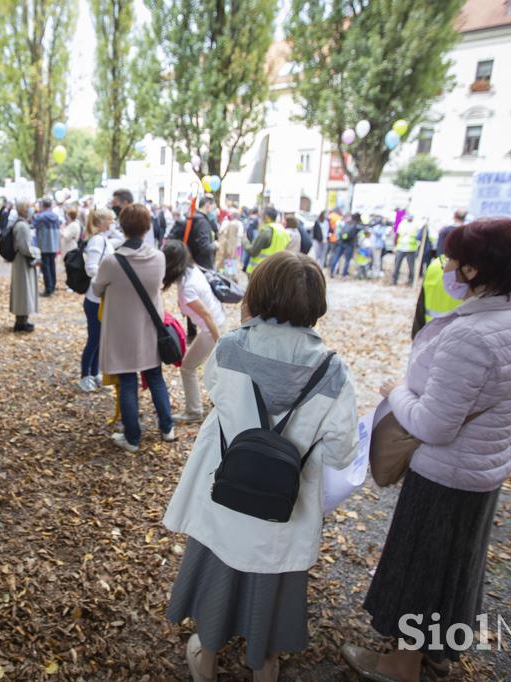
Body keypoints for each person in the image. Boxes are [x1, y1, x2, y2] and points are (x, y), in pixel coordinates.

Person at [342, 219, 511, 682]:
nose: (447, 268)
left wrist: (396, 391)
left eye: (452, 260)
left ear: (473, 270)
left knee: (420, 569)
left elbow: (434, 424)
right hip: (486, 470)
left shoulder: (468, 335)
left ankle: (400, 665)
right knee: (455, 568)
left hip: (444, 475)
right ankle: (437, 652)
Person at [163, 251, 358, 682]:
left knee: (219, 572)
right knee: (272, 586)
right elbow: (343, 453)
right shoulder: (333, 371)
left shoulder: (232, 347)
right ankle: (264, 665)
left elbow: (216, 392)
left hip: (227, 491)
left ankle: (207, 660)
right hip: (284, 505)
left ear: (259, 294)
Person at [91, 204, 175, 453]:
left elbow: (96, 289)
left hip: (122, 332)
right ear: (147, 227)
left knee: (128, 382)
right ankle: (167, 428)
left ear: (122, 227)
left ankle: (133, 438)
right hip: (150, 328)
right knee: (155, 377)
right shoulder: (158, 258)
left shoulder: (112, 262)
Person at [162, 240, 226, 422]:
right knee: (214, 369)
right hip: (217, 322)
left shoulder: (187, 288)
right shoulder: (191, 269)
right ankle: (219, 404)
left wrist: (219, 342)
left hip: (212, 329)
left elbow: (206, 316)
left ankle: (194, 411)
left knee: (188, 367)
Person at [78, 208, 116, 391]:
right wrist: (105, 280)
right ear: (102, 222)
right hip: (95, 298)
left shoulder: (103, 239)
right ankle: (85, 375)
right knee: (94, 337)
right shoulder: (98, 240)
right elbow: (91, 267)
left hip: (102, 297)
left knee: (100, 337)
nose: (112, 223)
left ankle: (94, 373)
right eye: (110, 220)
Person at [411, 251, 464, 339]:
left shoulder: (435, 264)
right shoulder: (476, 268)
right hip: (460, 338)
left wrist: (416, 335)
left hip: (430, 335)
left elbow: (421, 306)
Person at [10, 199, 40, 332]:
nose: (30, 210)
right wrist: (37, 252)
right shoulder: (22, 226)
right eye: (28, 207)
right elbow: (24, 248)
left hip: (22, 261)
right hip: (23, 262)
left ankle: (23, 319)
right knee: (23, 291)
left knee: (23, 291)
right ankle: (21, 321)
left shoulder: (21, 224)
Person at [168, 195, 216, 269]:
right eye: (213, 206)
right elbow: (205, 248)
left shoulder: (191, 217)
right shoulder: (202, 222)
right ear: (207, 205)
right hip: (200, 265)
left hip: (188, 263)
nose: (214, 209)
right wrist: (215, 245)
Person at [246, 207, 293, 272]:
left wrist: (245, 241)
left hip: (259, 270)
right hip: (273, 270)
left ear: (266, 217)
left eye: (262, 216)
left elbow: (253, 251)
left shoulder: (266, 231)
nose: (260, 218)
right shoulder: (283, 231)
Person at [33, 198, 61, 296]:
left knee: (45, 267)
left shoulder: (40, 217)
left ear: (43, 205)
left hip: (44, 245)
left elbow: (33, 226)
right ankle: (52, 286)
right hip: (54, 245)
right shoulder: (56, 216)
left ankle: (48, 289)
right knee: (52, 266)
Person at [391, 215, 424, 286]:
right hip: (401, 248)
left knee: (411, 267)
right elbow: (397, 235)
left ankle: (411, 281)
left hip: (411, 249)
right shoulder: (402, 224)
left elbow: (419, 236)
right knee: (396, 265)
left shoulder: (416, 225)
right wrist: (395, 246)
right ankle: (394, 280)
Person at [329, 213, 362, 278]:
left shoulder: (347, 222)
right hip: (349, 244)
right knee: (347, 260)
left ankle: (332, 272)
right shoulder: (357, 225)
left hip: (341, 242)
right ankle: (343, 275)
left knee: (336, 257)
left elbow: (341, 231)